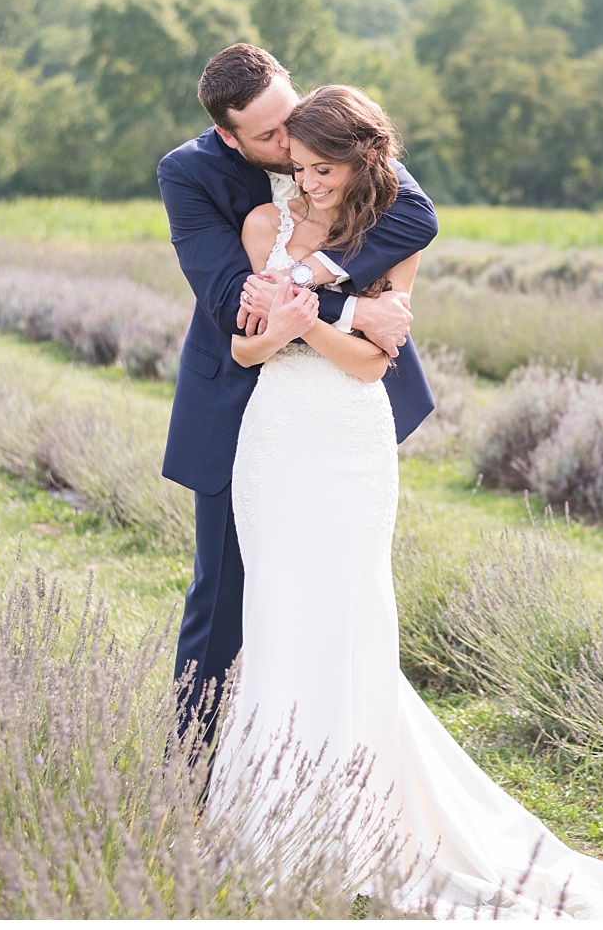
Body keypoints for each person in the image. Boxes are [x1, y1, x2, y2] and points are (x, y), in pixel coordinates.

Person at [209, 83, 603, 919]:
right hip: (273, 443)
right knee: (276, 608)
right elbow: (240, 344)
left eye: (323, 169)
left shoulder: (390, 234)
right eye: (298, 168)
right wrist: (305, 322)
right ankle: (269, 813)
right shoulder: (265, 225)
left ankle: (353, 808)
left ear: (363, 160)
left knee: (349, 610)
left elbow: (373, 363)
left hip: (346, 440)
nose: (308, 185)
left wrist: (305, 321)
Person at [158, 43, 438, 738]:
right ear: (230, 136)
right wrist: (349, 307)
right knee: (220, 604)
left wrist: (330, 297)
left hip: (341, 399)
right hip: (245, 407)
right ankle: (190, 783)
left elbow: (417, 216)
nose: (293, 148)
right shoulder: (188, 174)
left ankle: (339, 758)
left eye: (293, 119)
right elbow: (235, 308)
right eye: (271, 137)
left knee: (341, 595)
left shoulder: (327, 131)